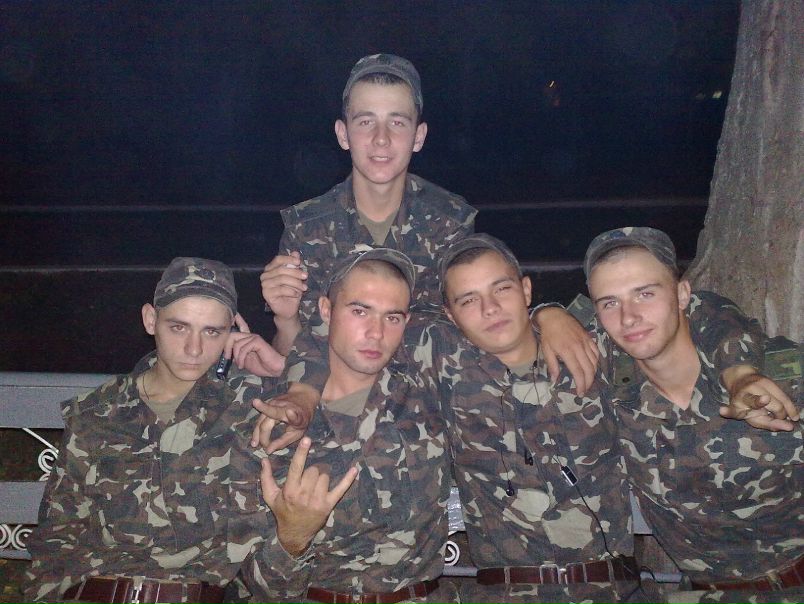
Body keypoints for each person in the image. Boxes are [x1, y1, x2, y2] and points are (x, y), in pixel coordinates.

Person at [255, 54, 599, 440]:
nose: (381, 139)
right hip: (338, 413)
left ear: (418, 136)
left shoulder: (450, 220)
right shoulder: (306, 227)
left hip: (429, 413)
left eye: (397, 122)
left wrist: (546, 314)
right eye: (365, 121)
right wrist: (285, 320)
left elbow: (480, 309)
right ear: (343, 133)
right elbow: (295, 353)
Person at [24, 257, 281, 604]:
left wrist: (281, 375)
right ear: (151, 319)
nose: (194, 349)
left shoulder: (251, 409)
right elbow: (57, 536)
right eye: (179, 327)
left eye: (212, 332)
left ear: (232, 332)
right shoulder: (98, 412)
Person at [425, 234, 650, 604]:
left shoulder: (593, 349)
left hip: (613, 589)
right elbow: (369, 320)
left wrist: (551, 312)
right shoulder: (446, 372)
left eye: (502, 288)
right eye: (469, 300)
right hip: (507, 593)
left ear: (526, 290)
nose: (490, 308)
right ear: (450, 316)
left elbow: (685, 312)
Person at [584, 227, 803, 601]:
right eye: (609, 303)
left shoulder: (781, 377)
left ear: (683, 294)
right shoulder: (610, 396)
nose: (629, 317)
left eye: (645, 293)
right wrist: (547, 313)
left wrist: (741, 372)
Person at [228, 249, 455, 603]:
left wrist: (544, 315)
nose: (376, 333)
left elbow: (503, 335)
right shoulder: (271, 419)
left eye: (392, 317)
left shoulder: (430, 393)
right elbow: (256, 587)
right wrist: (292, 538)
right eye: (359, 311)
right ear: (326, 310)